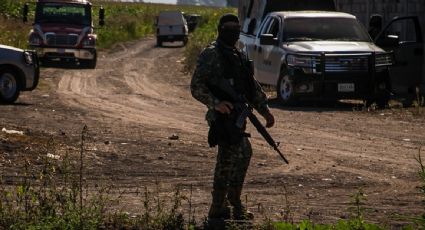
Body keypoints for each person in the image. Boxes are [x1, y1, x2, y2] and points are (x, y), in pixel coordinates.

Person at [190, 14, 275, 227]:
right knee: (230, 158)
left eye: (236, 28)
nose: (233, 32)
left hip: (238, 115)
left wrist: (264, 110)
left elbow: (250, 85)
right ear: (220, 29)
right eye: (228, 28)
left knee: (237, 157)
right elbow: (196, 86)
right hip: (221, 117)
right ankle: (223, 208)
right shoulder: (211, 54)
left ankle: (226, 206)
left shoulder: (237, 54)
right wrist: (216, 103)